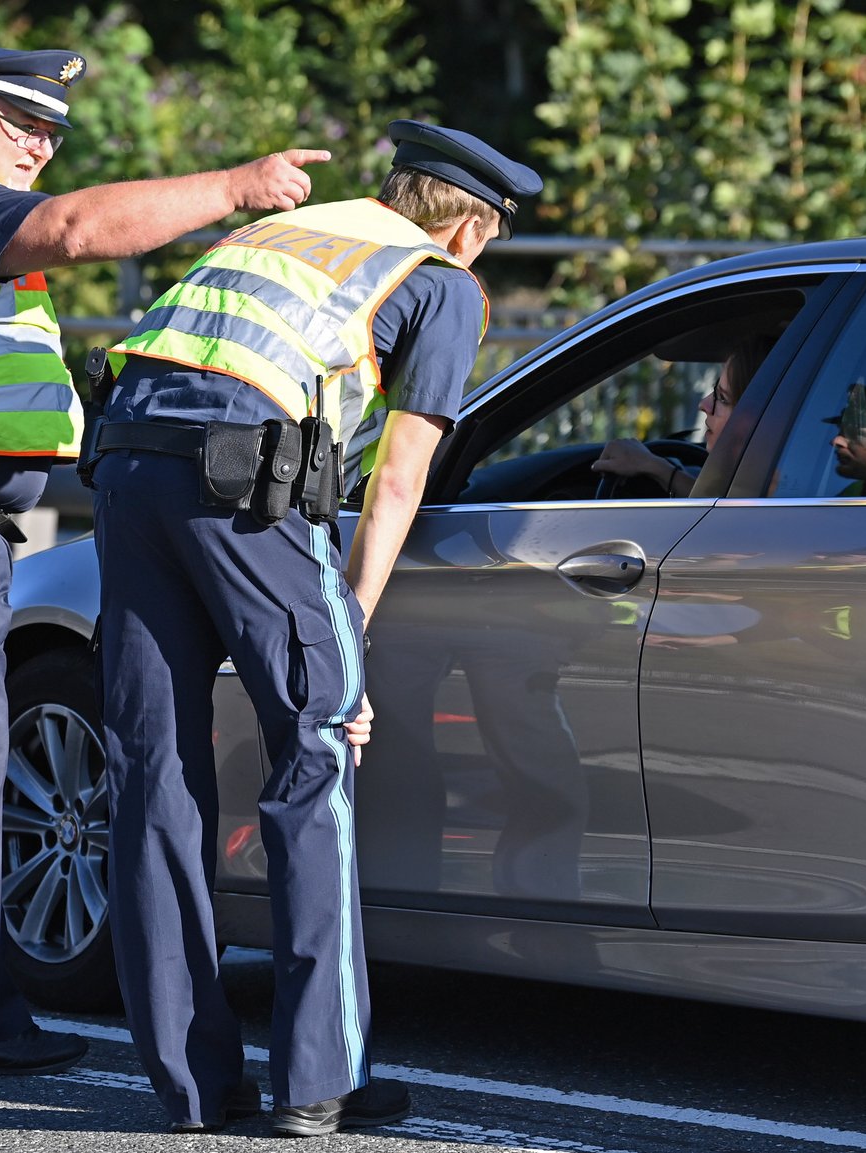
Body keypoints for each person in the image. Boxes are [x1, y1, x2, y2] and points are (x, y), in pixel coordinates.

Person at [0, 45, 326, 1078]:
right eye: (19, 125)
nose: (39, 146)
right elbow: (76, 229)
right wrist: (234, 188)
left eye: (53, 133)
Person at [88, 119, 540, 1135]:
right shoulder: (438, 280)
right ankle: (316, 1079)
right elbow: (399, 476)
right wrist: (350, 637)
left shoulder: (278, 235)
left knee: (154, 772)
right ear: (469, 229)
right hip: (237, 484)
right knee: (317, 751)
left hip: (124, 467)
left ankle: (193, 1088)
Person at [589, 335, 773, 496]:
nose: (704, 405)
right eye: (715, 391)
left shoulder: (771, 491)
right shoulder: (765, 484)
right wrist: (654, 466)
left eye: (723, 398)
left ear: (758, 418)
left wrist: (653, 466)